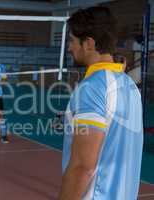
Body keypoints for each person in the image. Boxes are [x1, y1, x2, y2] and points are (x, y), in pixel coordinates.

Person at [58, 6, 143, 200]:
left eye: (72, 41)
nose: (69, 48)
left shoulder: (91, 88)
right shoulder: (130, 85)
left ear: (88, 43)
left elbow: (83, 167)